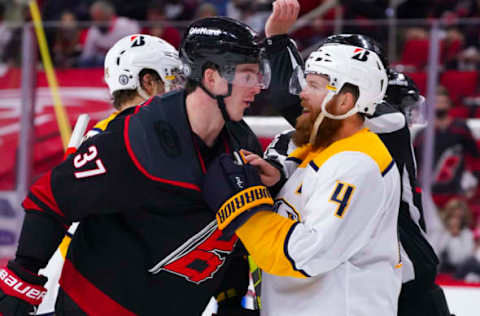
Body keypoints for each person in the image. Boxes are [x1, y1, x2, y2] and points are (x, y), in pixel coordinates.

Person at [0, 1, 304, 310]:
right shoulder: (136, 138)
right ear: (212, 78)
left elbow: (229, 238)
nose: (259, 88)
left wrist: (230, 299)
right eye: (249, 75)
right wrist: (22, 282)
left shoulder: (242, 141)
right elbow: (51, 197)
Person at [203, 40, 403, 316]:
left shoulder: (357, 164)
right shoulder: (327, 149)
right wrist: (276, 182)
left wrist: (245, 212)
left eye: (314, 85)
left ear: (345, 100)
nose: (302, 94)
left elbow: (307, 254)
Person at [264, 34, 453, 316]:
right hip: (355, 274)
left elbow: (290, 101)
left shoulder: (387, 124)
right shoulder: (298, 139)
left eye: (314, 84)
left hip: (402, 268)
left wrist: (278, 44)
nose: (305, 94)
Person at [35, 33, 185, 316]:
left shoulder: (115, 133)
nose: (180, 90)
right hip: (91, 290)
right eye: (172, 78)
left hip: (87, 283)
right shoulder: (133, 139)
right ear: (148, 82)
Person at [414, 85, 480, 209]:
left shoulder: (460, 129)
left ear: (449, 104)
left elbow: (475, 156)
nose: (440, 105)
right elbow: (414, 163)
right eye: (436, 102)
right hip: (427, 193)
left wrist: (474, 181)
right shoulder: (422, 134)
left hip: (454, 192)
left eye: (443, 102)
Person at [78, 1, 140, 67]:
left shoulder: (125, 25)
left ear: (109, 15)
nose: (97, 22)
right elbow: (87, 54)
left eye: (100, 17)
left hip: (123, 59)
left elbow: (136, 47)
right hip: (101, 60)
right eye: (95, 18)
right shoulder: (93, 30)